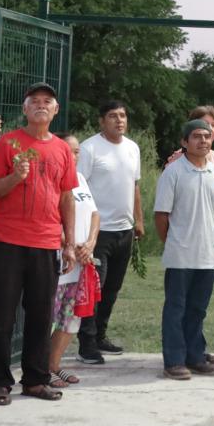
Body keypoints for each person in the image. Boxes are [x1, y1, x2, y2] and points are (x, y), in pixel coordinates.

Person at [0, 82, 77, 405]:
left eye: (47, 101)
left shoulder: (63, 149)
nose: (40, 105)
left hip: (46, 242)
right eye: (34, 101)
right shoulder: (9, 143)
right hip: (6, 241)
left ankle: (35, 380)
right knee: (1, 316)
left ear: (55, 110)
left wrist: (70, 243)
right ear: (24, 109)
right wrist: (15, 178)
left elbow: (67, 197)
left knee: (39, 315)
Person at [155, 118, 214, 380]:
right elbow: (161, 215)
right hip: (180, 254)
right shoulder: (173, 172)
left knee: (198, 308)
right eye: (196, 136)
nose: (203, 141)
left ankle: (195, 356)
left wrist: (210, 240)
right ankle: (173, 360)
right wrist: (172, 242)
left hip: (207, 254)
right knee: (176, 308)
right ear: (185, 142)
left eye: (207, 136)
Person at [75, 99, 143, 364]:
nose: (119, 120)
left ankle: (101, 335)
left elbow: (134, 186)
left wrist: (138, 220)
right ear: (102, 121)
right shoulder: (89, 148)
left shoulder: (132, 148)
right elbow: (78, 187)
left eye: (123, 116)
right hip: (98, 232)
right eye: (113, 116)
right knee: (94, 287)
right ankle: (87, 344)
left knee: (112, 288)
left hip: (124, 231)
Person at [48, 135, 99, 389]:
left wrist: (89, 243)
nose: (74, 156)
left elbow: (94, 214)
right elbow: (47, 216)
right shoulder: (52, 177)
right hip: (56, 262)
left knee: (71, 320)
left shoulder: (79, 179)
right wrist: (67, 243)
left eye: (77, 152)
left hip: (80, 263)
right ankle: (38, 369)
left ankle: (53, 365)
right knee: (48, 319)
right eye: (69, 151)